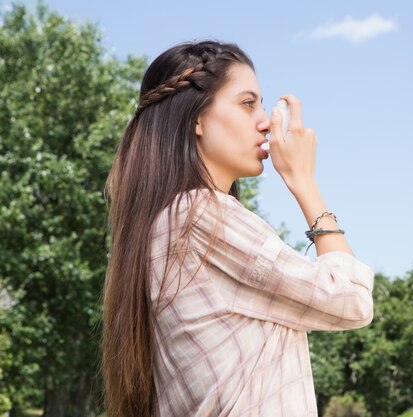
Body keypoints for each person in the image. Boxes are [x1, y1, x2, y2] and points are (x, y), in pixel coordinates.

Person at [101, 39, 375, 417]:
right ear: (196, 118)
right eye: (248, 104)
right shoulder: (201, 217)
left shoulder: (168, 221)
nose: (265, 121)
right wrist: (303, 181)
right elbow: (351, 300)